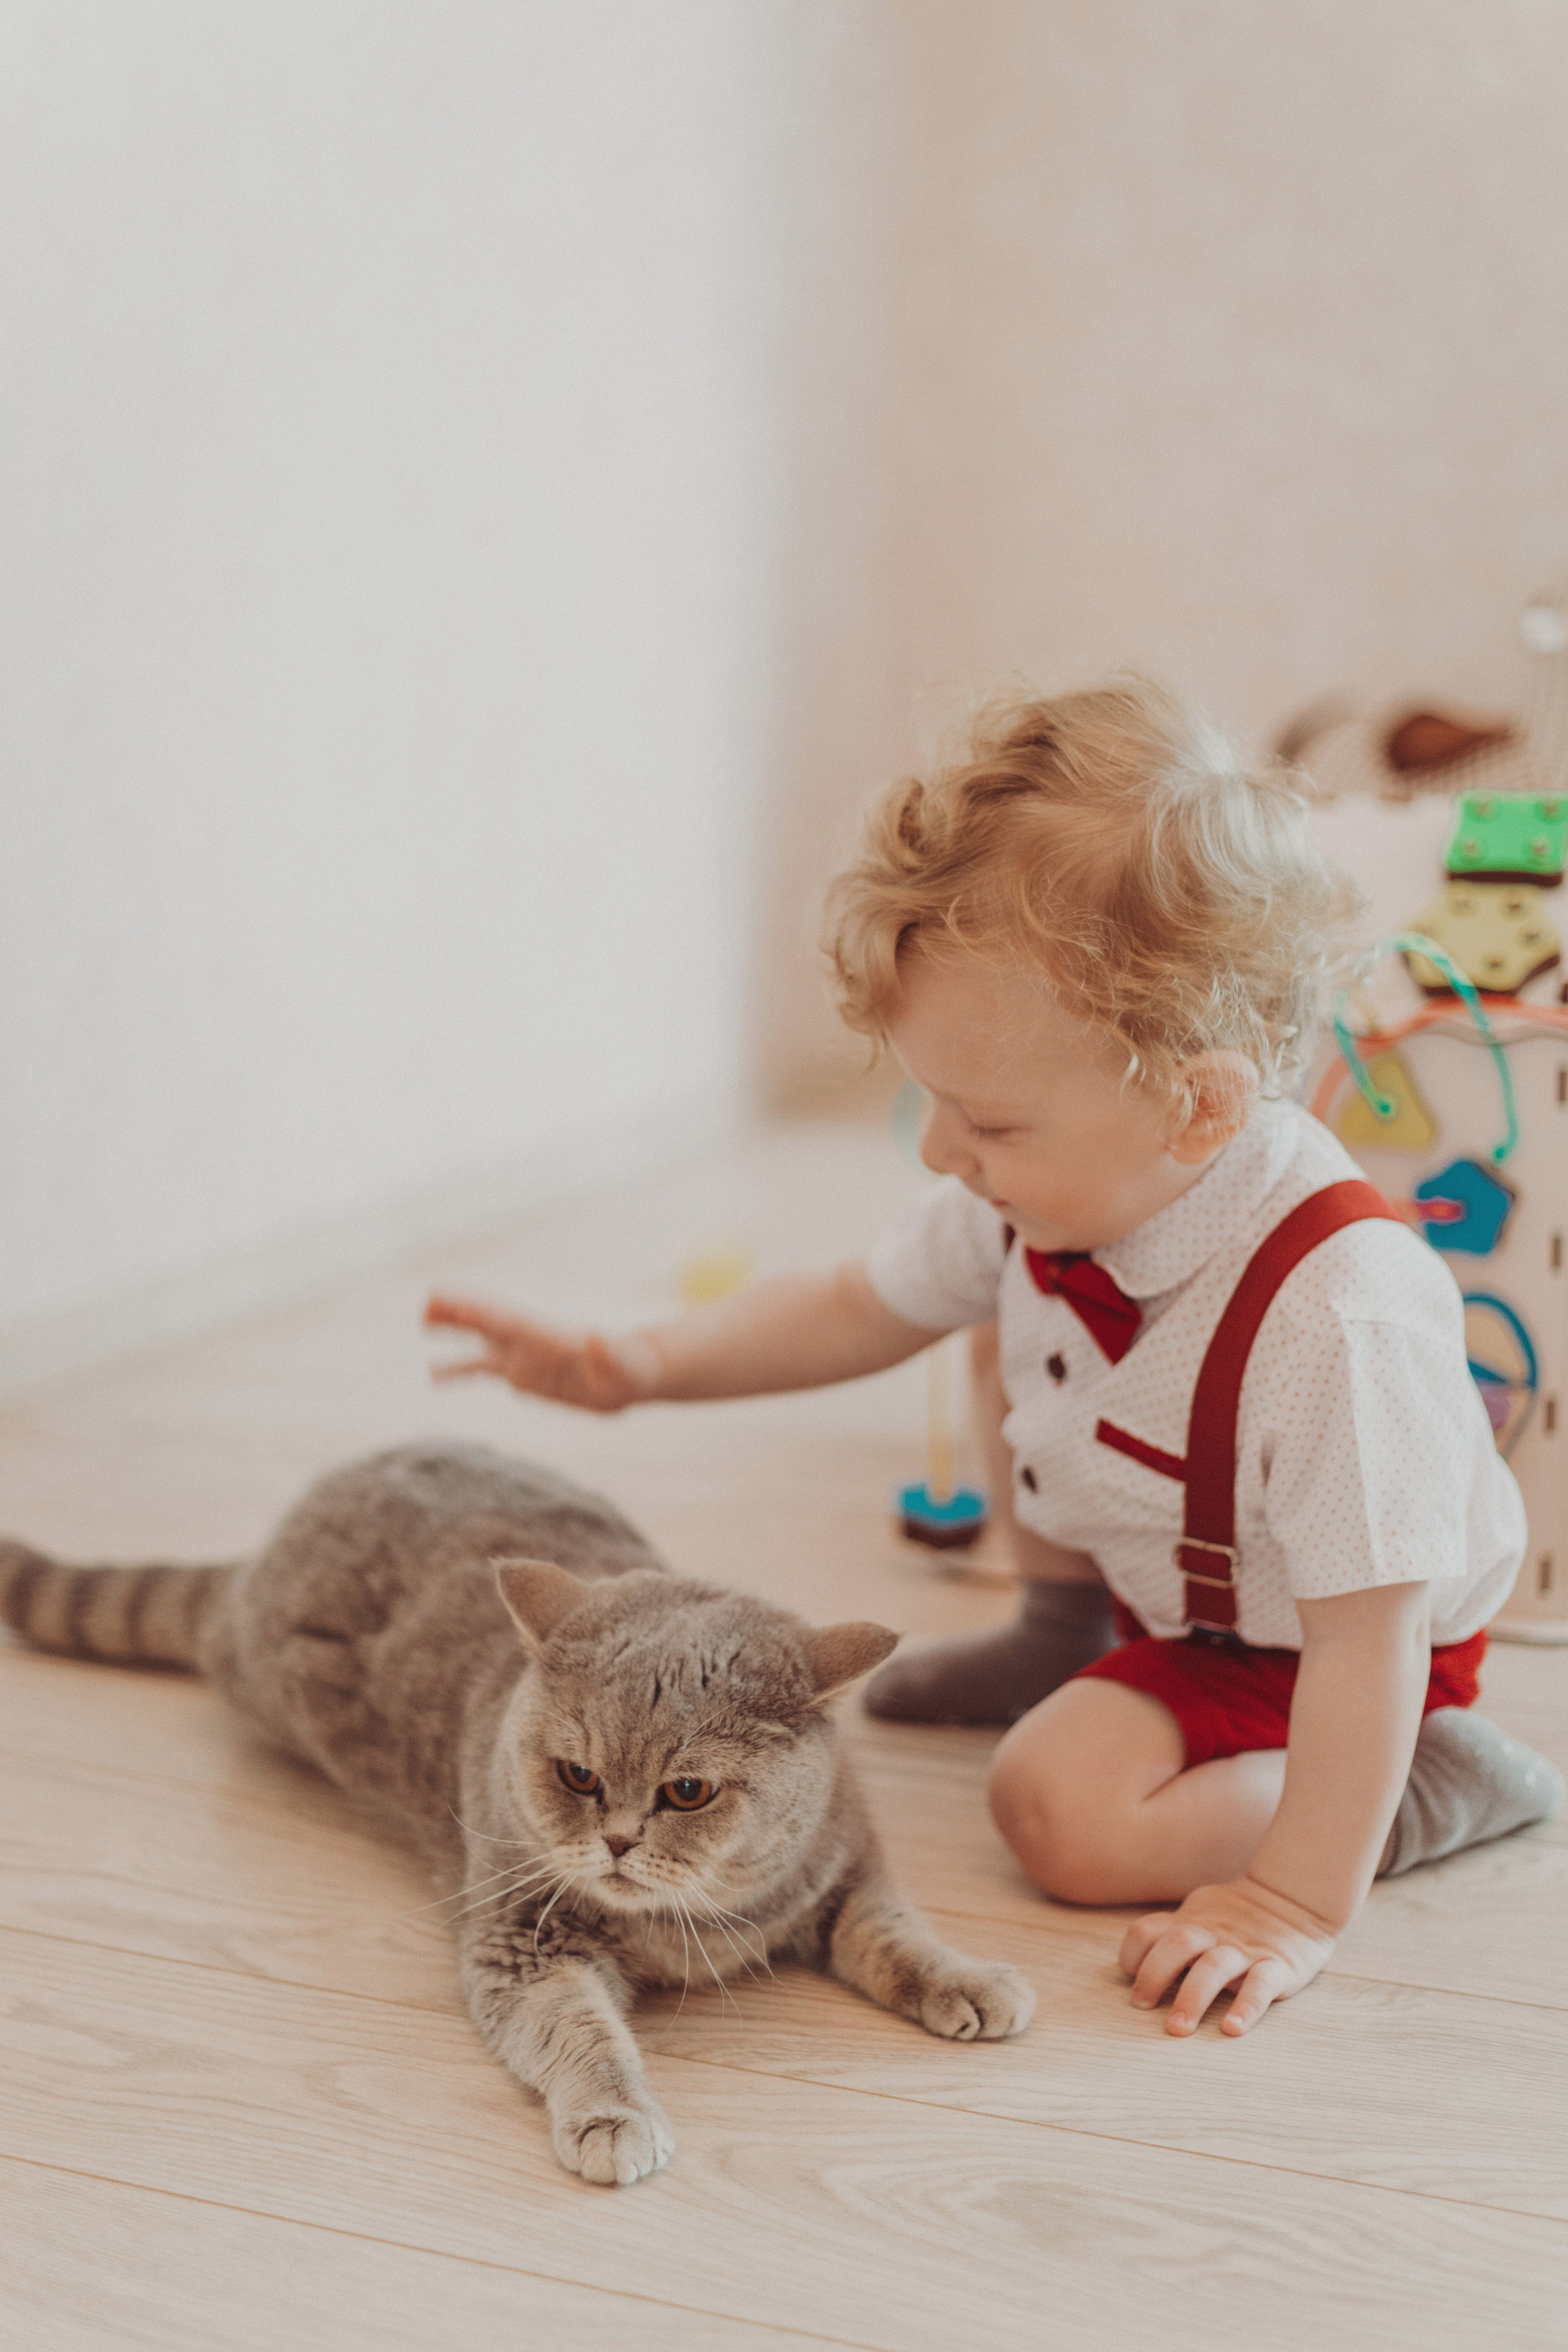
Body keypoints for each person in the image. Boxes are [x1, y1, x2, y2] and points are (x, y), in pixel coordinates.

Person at [426, 677, 1562, 2038]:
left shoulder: (1341, 1321)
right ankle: (1054, 1634)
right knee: (987, 1319)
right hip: (1172, 1572)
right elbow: (856, 1301)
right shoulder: (1054, 1193)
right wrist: (636, 1361)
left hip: (1311, 1646)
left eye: (987, 1121)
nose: (938, 1153)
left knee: (1056, 1813)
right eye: (930, 1105)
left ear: (1196, 1103)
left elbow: (1365, 1637)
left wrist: (1291, 1901)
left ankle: (1432, 1788)